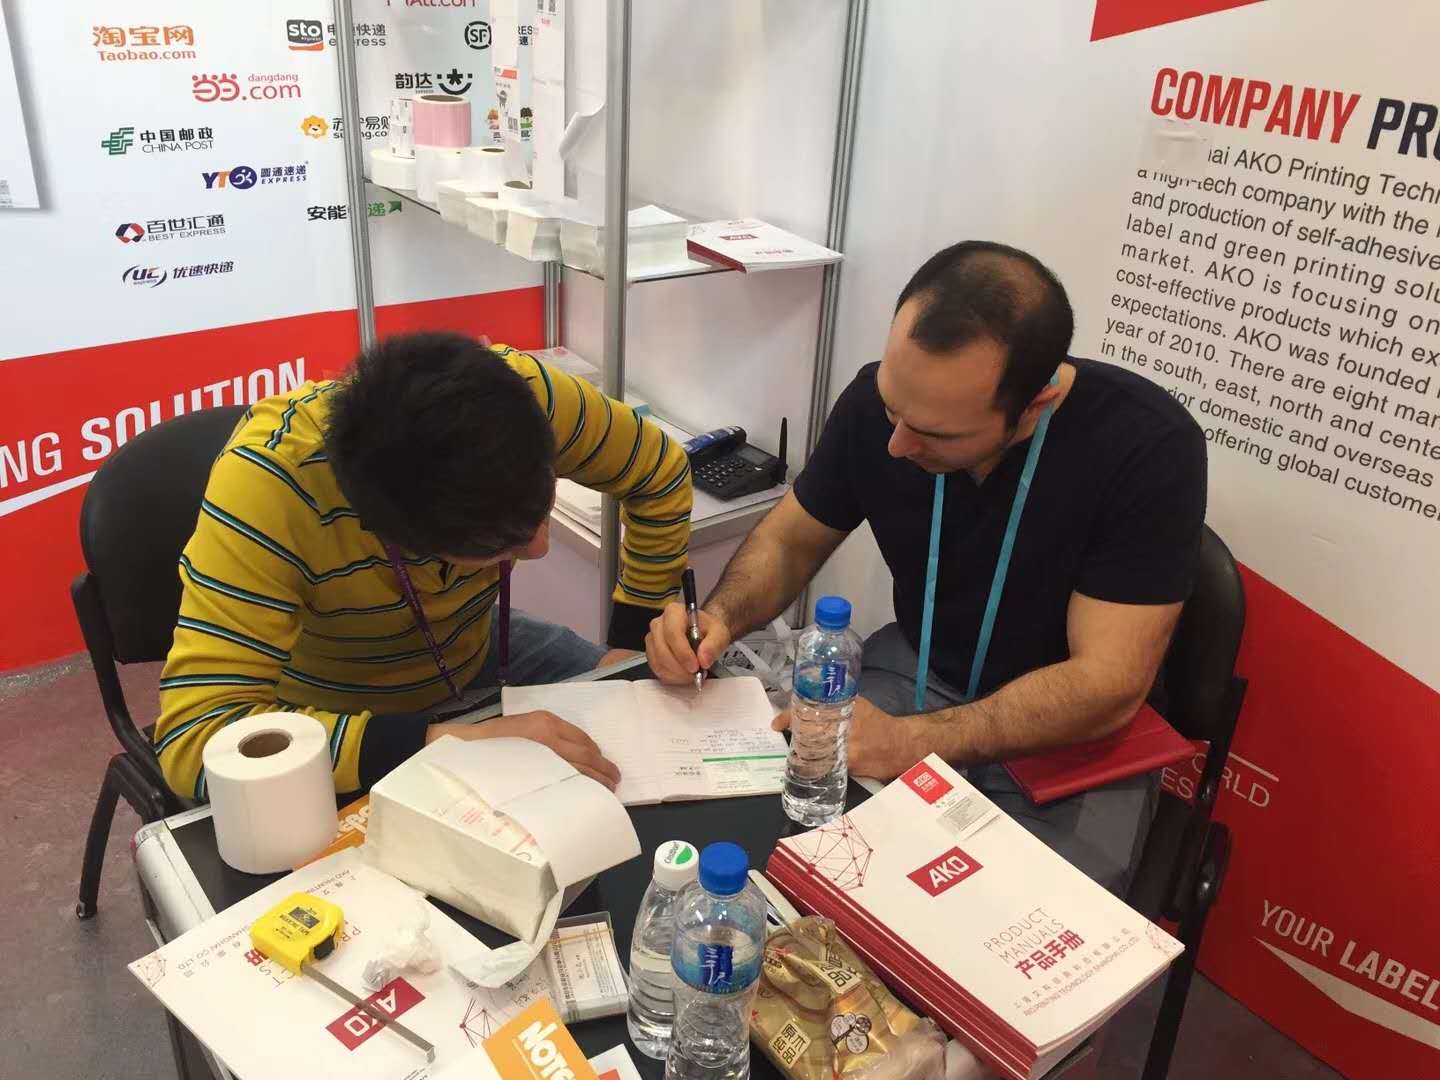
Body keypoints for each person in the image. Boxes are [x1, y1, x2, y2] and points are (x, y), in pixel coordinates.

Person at [647, 241, 1207, 892]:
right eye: (893, 408)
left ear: (1036, 404)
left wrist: (915, 742)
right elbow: (790, 543)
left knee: (1016, 919)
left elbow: (1105, 685)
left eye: (936, 434)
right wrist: (718, 617)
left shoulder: (1147, 447)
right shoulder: (878, 405)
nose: (897, 443)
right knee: (788, 854)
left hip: (1069, 733)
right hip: (917, 673)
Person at [154, 332, 693, 799]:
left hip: (476, 647)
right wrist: (444, 742)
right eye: (498, 547)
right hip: (337, 709)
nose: (538, 549)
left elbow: (660, 473)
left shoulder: (519, 396)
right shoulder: (270, 487)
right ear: (397, 536)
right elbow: (194, 741)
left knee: (642, 713)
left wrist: (636, 639)